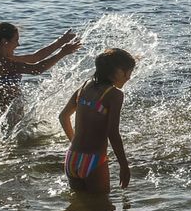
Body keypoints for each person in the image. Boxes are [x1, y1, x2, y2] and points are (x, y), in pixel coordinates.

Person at [58, 48, 135, 192]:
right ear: (118, 71)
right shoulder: (114, 95)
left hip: (72, 157)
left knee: (81, 208)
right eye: (128, 72)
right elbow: (113, 133)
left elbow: (63, 117)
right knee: (102, 209)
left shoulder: (85, 86)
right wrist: (124, 166)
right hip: (93, 161)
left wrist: (74, 142)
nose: (128, 77)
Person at [0, 22, 80, 114]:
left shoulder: (2, 59)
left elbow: (35, 57)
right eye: (15, 40)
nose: (18, 44)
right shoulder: (2, 62)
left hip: (7, 118)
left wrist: (60, 41)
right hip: (10, 120)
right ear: (4, 42)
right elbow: (37, 69)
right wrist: (62, 53)